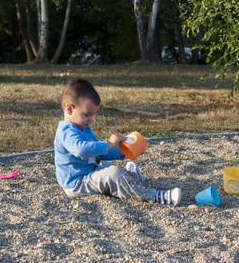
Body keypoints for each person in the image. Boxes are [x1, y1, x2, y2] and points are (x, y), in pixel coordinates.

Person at [54, 79, 182, 205]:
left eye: (93, 115)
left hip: (91, 170)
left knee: (111, 168)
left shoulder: (84, 128)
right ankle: (156, 196)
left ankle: (132, 178)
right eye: (87, 115)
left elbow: (98, 152)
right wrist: (109, 144)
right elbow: (80, 149)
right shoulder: (66, 131)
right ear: (69, 109)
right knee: (114, 174)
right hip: (77, 183)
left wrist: (121, 151)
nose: (91, 119)